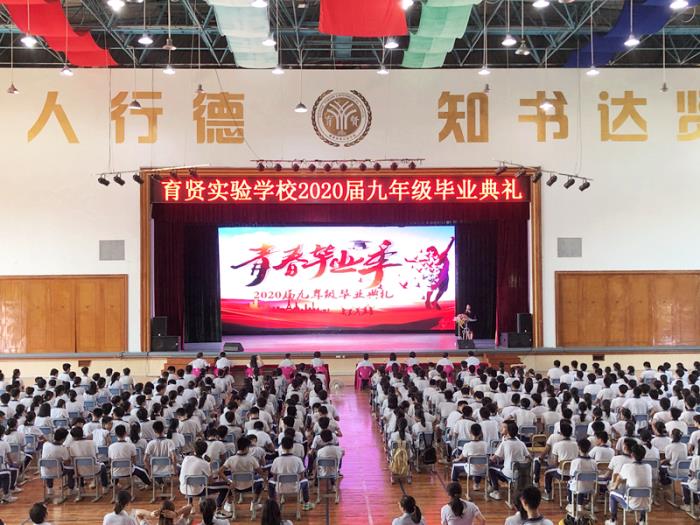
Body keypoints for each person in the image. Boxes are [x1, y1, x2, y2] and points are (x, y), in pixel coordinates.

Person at [605, 444, 652, 525]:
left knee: (612, 493)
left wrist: (614, 487)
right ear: (644, 455)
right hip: (647, 503)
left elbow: (618, 479)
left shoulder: (627, 466)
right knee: (642, 490)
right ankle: (642, 520)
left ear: (632, 454)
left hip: (631, 504)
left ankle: (613, 520)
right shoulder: (648, 467)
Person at [269, 436, 314, 511]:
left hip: (280, 488)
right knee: (305, 481)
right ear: (292, 446)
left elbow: (274, 477)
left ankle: (272, 503)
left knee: (270, 481)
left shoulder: (276, 460)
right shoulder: (298, 460)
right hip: (295, 488)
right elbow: (302, 477)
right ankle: (306, 503)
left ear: (281, 447)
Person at [488, 420, 530, 500]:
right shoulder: (521, 443)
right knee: (501, 466)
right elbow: (529, 457)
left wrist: (489, 458)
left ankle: (496, 491)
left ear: (508, 431)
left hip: (509, 473)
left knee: (490, 467)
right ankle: (511, 485)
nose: (501, 428)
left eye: (503, 427)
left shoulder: (505, 443)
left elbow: (494, 458)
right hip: (520, 473)